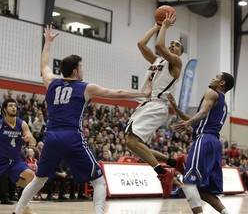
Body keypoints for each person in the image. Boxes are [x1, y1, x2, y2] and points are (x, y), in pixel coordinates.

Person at [13, 25, 151, 214]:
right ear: (76, 71)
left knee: (39, 180)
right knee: (99, 180)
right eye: (82, 66)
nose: (83, 69)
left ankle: (17, 211)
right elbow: (115, 93)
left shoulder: (51, 83)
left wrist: (48, 43)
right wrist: (142, 93)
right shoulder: (85, 87)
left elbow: (44, 65)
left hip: (51, 138)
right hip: (71, 137)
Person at [125, 12, 183, 198]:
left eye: (177, 45)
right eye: (172, 43)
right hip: (146, 104)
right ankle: (173, 163)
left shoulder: (177, 62)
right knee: (135, 146)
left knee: (132, 141)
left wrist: (165, 26)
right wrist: (156, 27)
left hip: (157, 104)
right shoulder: (158, 61)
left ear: (180, 53)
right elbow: (141, 44)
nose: (173, 45)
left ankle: (162, 173)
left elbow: (159, 45)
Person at [168, 72, 235, 214]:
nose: (213, 78)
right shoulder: (223, 103)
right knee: (204, 191)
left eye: (216, 77)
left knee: (188, 184)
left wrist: (188, 123)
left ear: (222, 83)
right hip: (214, 143)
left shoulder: (212, 92)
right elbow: (200, 119)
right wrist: (176, 108)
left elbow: (202, 113)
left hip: (204, 139)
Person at [0, 99, 36, 214]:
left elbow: (32, 141)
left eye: (15, 106)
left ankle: (25, 207)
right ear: (5, 109)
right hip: (1, 160)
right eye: (11, 106)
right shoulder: (1, 123)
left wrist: (29, 138)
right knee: (22, 181)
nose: (14, 107)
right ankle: (16, 182)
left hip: (15, 160)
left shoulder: (21, 123)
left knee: (31, 175)